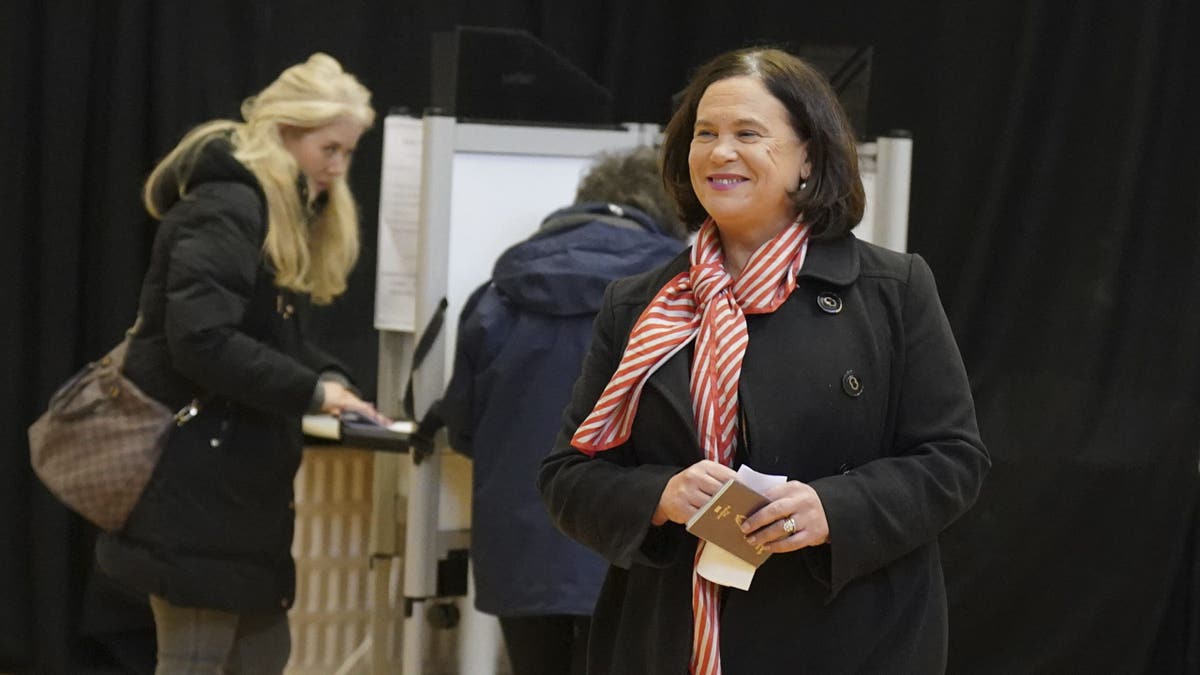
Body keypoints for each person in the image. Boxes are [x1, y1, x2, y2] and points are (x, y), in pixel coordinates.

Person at [538, 47, 990, 675]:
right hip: (669, 638)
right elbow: (569, 477)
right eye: (705, 134)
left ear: (809, 155)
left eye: (748, 134)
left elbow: (953, 461)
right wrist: (661, 495)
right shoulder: (638, 303)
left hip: (851, 639)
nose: (721, 152)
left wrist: (833, 509)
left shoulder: (893, 288)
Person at [95, 53, 387, 674]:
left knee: (262, 653)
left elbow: (271, 338)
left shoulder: (265, 212)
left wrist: (331, 379)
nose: (338, 169)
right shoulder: (227, 206)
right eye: (329, 148)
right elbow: (201, 341)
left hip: (229, 490)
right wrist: (315, 393)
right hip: (194, 483)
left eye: (348, 153)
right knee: (197, 658)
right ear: (284, 132)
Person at [440, 146, 688, 675]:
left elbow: (462, 429)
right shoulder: (677, 300)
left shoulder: (496, 298)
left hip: (520, 550)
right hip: (634, 545)